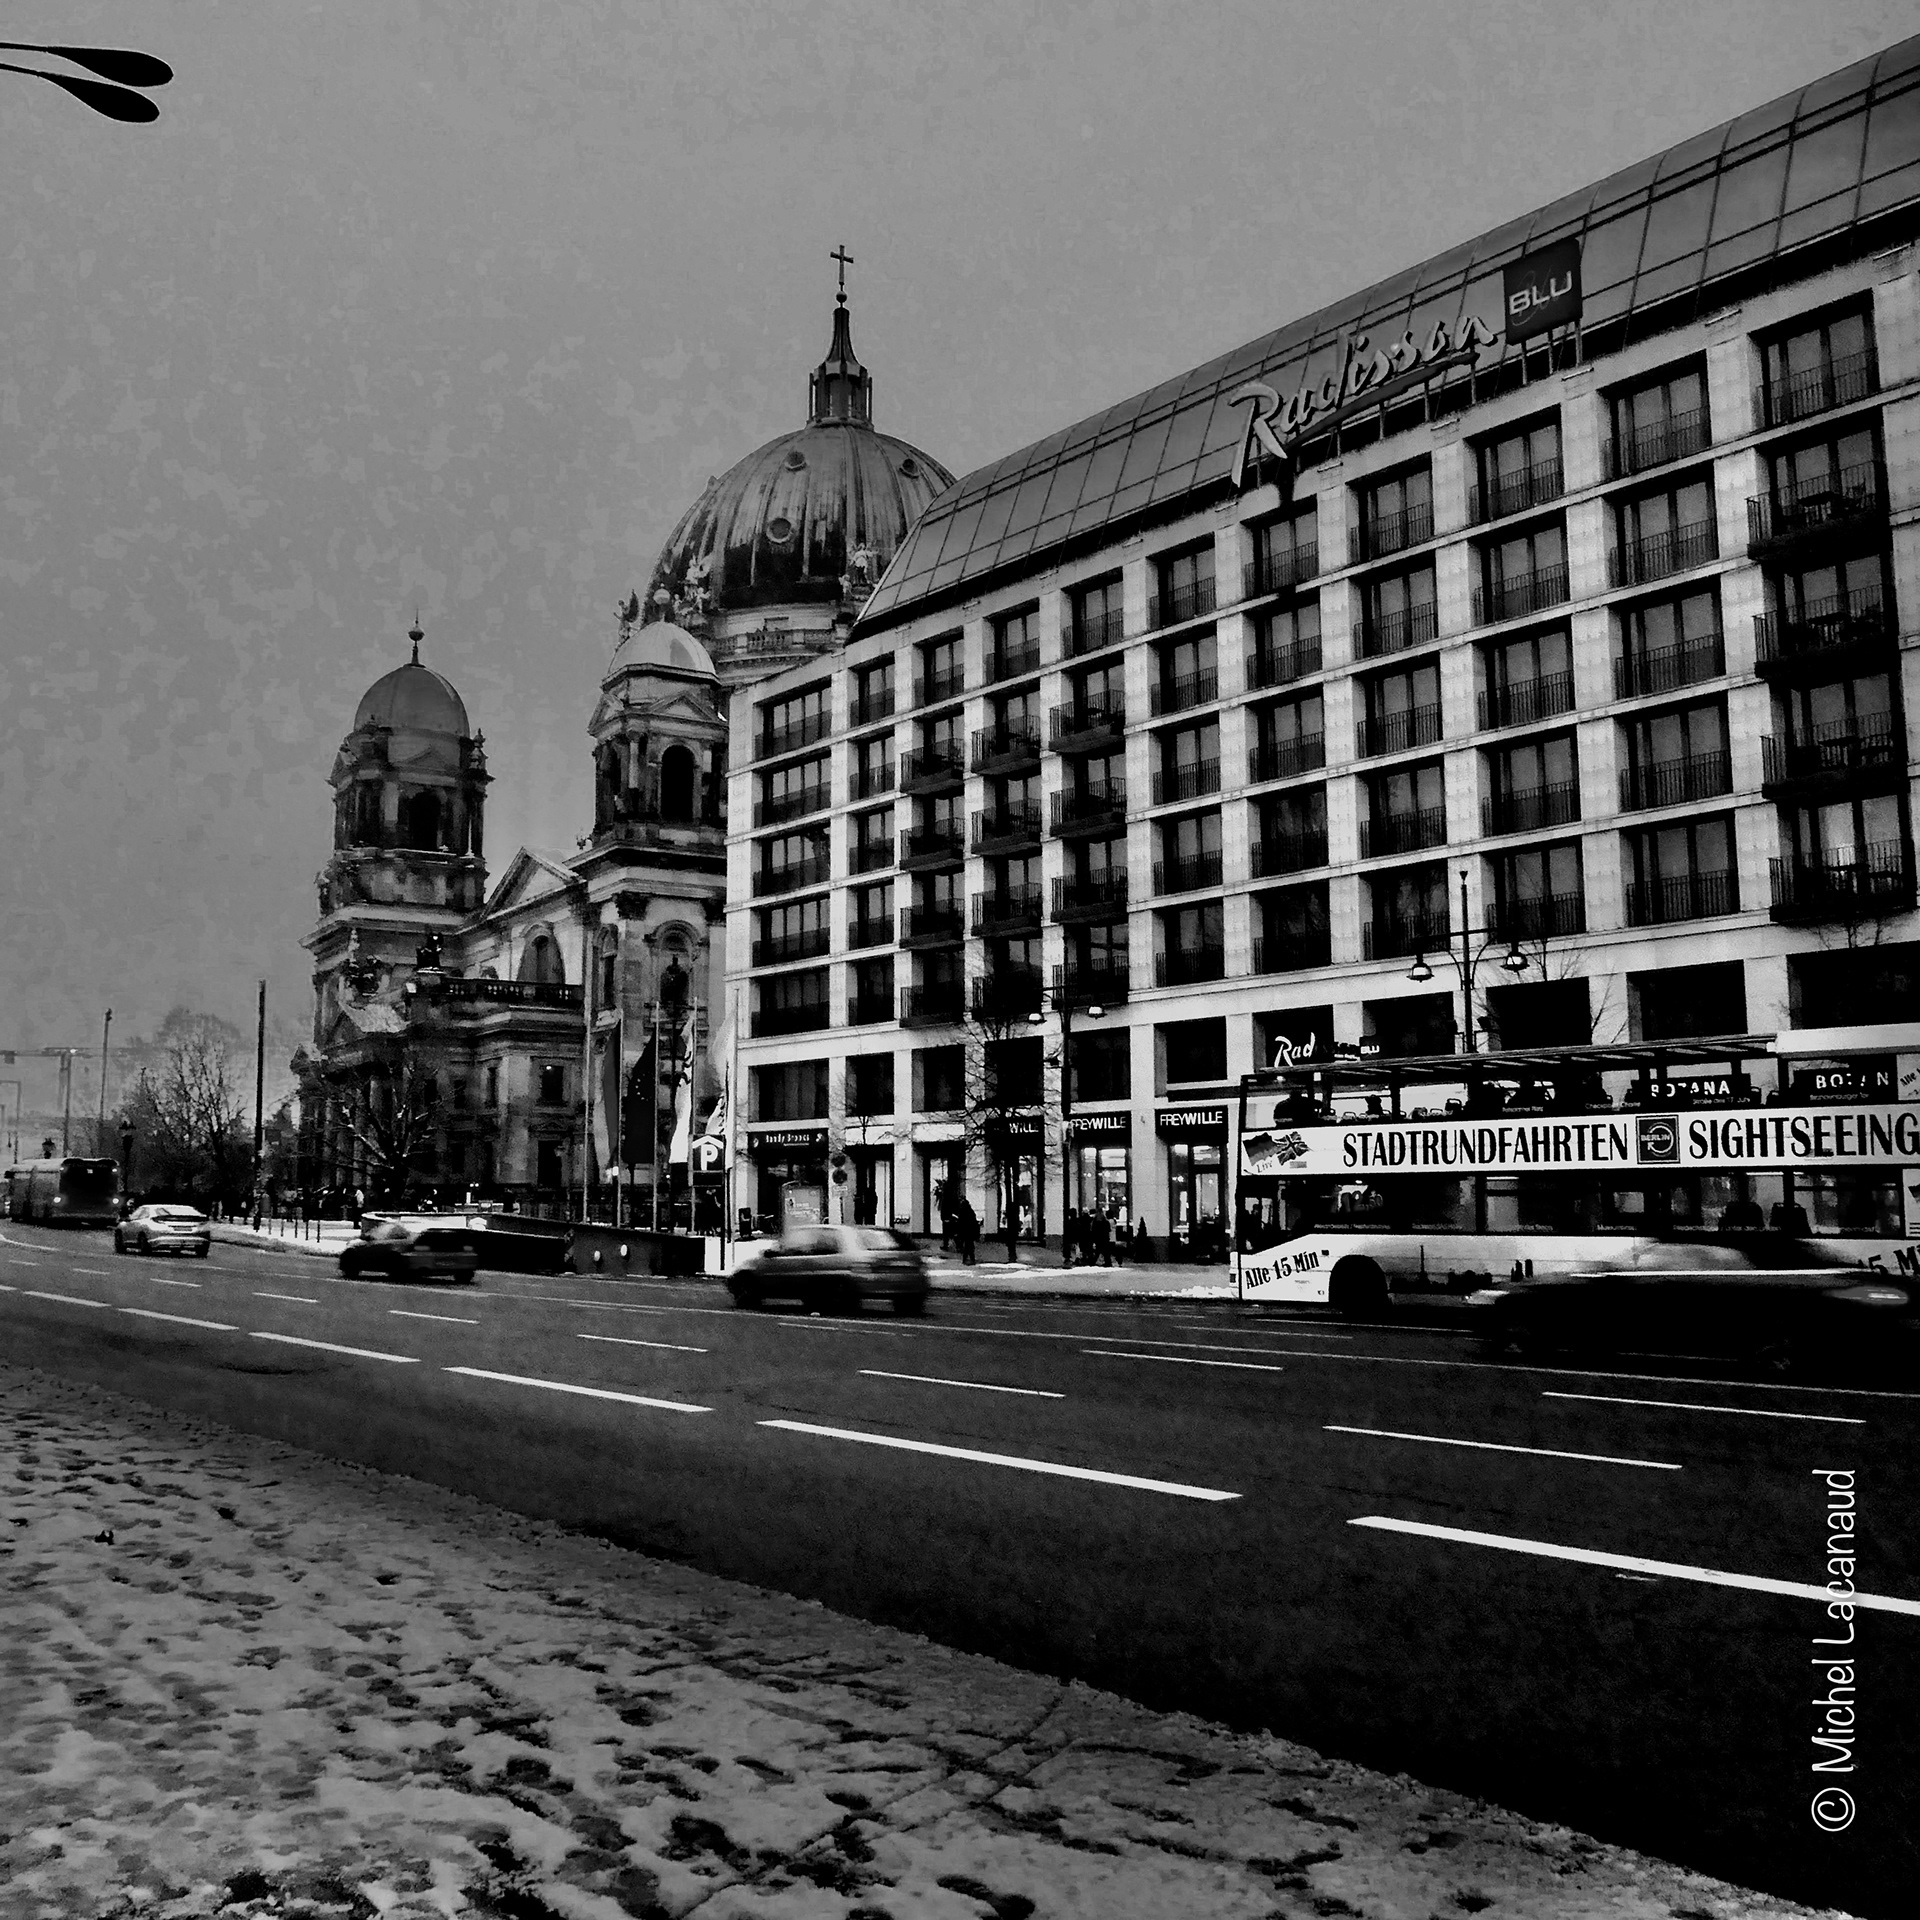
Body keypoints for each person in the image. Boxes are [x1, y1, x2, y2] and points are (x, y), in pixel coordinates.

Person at [954, 1196, 979, 1266]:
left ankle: (966, 1259)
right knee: (970, 1246)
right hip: (970, 1232)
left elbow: (960, 1223)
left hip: (965, 1232)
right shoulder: (971, 1211)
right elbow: (974, 1222)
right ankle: (970, 1259)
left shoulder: (962, 1212)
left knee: (967, 1246)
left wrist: (958, 1232)